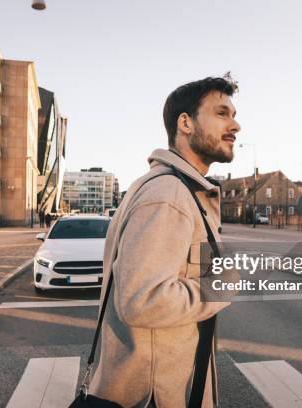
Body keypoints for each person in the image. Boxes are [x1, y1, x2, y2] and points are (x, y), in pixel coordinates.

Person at [89, 75, 241, 408]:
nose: (236, 125)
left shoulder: (175, 188)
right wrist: (220, 287)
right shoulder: (168, 193)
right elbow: (143, 300)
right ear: (185, 123)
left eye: (233, 114)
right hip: (155, 395)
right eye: (222, 113)